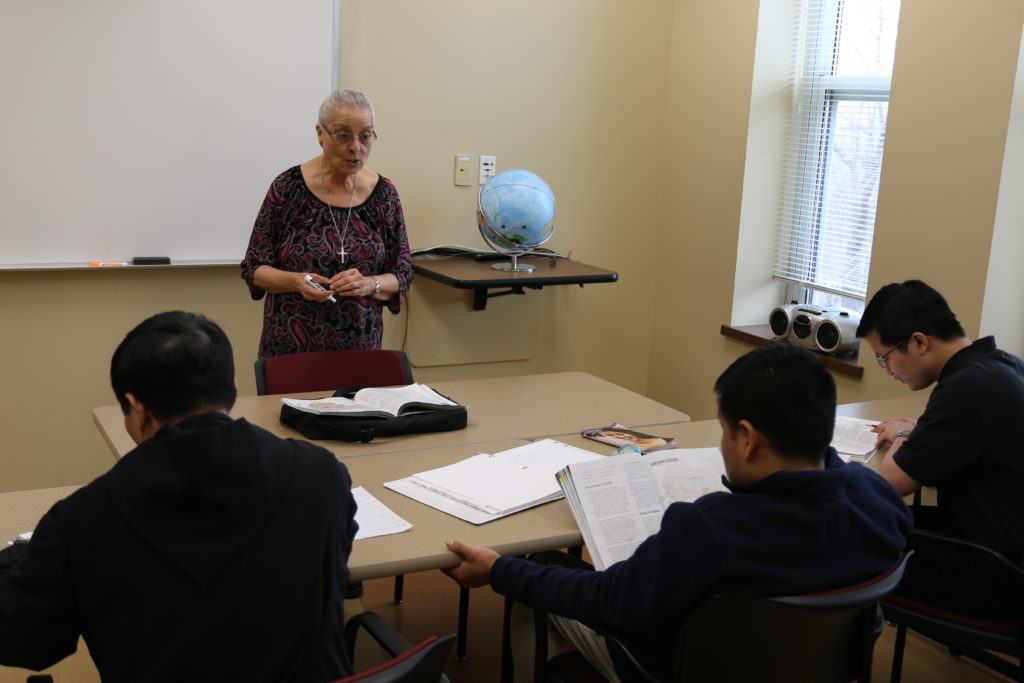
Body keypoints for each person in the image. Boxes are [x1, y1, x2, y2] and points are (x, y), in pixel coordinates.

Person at [443, 343, 911, 682]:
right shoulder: (879, 499)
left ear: (747, 439)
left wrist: (501, 570)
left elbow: (610, 600)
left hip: (673, 668)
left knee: (534, 585)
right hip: (825, 668)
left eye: (725, 432)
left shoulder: (709, 529)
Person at [0, 312, 358, 682]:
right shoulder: (322, 474)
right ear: (232, 388)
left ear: (137, 410)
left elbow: (27, 643)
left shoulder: (81, 519)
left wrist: (23, 555)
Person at [857, 279, 1024, 617]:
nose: (888, 371)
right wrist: (917, 432)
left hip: (991, 574)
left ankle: (836, 660)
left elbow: (891, 482)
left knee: (852, 534)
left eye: (884, 358)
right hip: (1004, 546)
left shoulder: (964, 388)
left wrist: (904, 437)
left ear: (919, 342)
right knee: (875, 521)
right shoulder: (1001, 365)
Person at [241, 89, 413, 358]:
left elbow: (402, 274)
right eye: (344, 135)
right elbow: (254, 268)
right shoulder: (287, 187)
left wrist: (370, 284)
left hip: (360, 351)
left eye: (365, 136)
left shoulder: (385, 194)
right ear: (320, 134)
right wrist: (296, 282)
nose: (356, 147)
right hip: (290, 351)